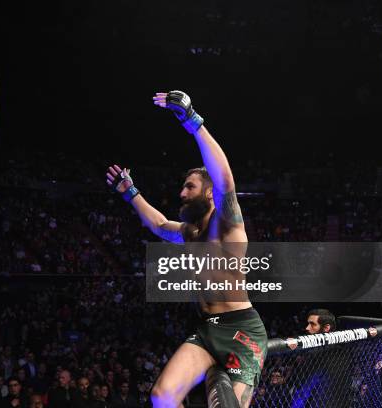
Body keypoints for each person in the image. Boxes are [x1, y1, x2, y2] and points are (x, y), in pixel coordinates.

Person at [106, 90, 267, 407]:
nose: (181, 193)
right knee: (162, 397)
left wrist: (193, 122)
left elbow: (226, 182)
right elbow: (158, 224)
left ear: (209, 194)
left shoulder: (227, 226)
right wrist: (131, 193)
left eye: (189, 186)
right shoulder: (190, 233)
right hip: (207, 329)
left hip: (241, 331)